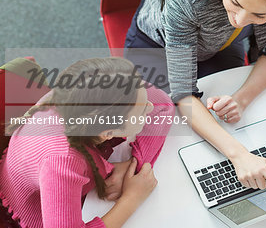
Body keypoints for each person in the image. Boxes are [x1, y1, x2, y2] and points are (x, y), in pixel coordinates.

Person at [124, 0, 266, 199]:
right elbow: (183, 91)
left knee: (220, 120)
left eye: (260, 15)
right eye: (236, 3)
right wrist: (239, 155)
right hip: (157, 46)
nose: (240, 21)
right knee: (157, 123)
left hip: (219, 44)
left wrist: (241, 100)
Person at [0, 57, 175, 228]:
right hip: (36, 211)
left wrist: (134, 165)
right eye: (143, 110)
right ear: (108, 133)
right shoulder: (62, 161)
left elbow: (163, 103)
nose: (150, 107)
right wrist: (131, 198)